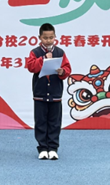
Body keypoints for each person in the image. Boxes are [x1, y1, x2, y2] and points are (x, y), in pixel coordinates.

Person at [26, 23, 72, 160]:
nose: (48, 40)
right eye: (45, 38)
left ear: (55, 37)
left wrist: (62, 72)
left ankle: (53, 148)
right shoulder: (35, 52)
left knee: (54, 122)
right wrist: (43, 59)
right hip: (40, 94)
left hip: (55, 94)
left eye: (51, 37)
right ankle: (42, 148)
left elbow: (67, 69)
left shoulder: (60, 52)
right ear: (39, 38)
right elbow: (31, 67)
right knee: (40, 121)